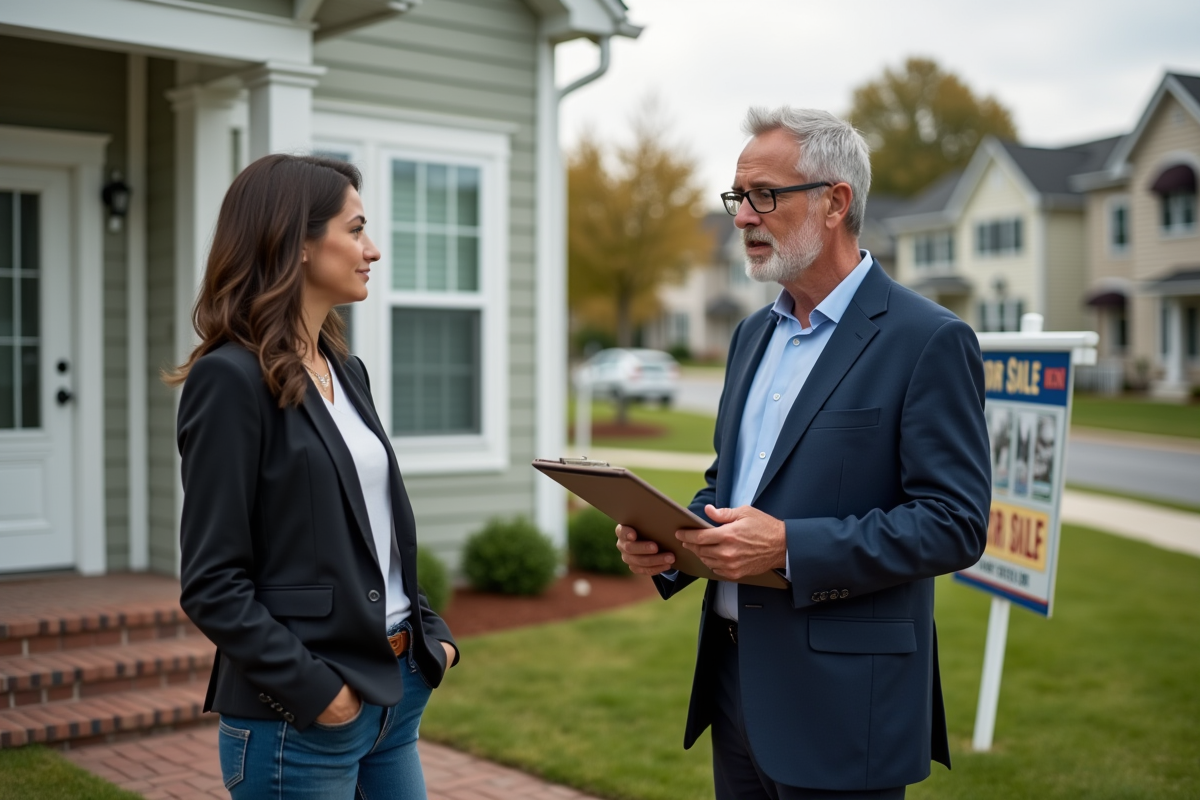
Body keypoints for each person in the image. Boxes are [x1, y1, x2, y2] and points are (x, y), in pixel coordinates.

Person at [616, 107, 991, 799]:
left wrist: (789, 546)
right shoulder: (752, 335)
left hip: (846, 704)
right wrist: (674, 538)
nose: (742, 217)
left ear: (835, 202)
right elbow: (731, 482)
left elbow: (955, 523)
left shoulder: (927, 339)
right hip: (734, 686)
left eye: (764, 195)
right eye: (738, 197)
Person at [170, 154, 458, 799]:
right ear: (296, 243)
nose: (372, 250)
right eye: (355, 230)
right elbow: (212, 583)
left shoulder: (343, 370)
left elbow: (376, 530)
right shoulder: (230, 378)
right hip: (300, 717)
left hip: (397, 693)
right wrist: (319, 693)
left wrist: (432, 639)